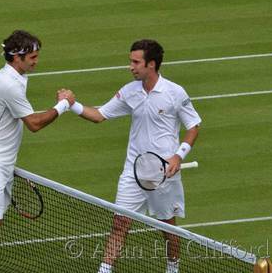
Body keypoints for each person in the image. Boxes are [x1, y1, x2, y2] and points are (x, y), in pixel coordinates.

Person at [65, 39, 201, 273]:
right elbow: (99, 115)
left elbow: (193, 125)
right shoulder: (129, 92)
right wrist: (72, 104)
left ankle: (172, 268)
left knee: (168, 228)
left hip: (162, 173)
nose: (131, 66)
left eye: (136, 62)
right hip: (133, 171)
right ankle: (104, 270)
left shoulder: (174, 93)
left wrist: (178, 156)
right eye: (131, 61)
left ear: (151, 64)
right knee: (119, 223)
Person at [0, 30, 73, 273]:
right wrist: (63, 105)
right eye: (33, 57)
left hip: (3, 161)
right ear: (17, 57)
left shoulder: (15, 77)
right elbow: (34, 124)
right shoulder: (8, 84)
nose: (37, 61)